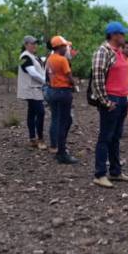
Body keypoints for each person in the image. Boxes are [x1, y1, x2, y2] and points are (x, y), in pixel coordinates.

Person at [90, 22, 128, 188]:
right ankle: (100, 174)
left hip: (122, 99)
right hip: (112, 99)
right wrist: (105, 101)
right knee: (105, 137)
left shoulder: (119, 53)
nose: (124, 37)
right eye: (122, 34)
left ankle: (115, 171)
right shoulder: (103, 52)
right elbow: (98, 77)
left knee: (115, 137)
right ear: (114, 35)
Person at [46, 36, 79, 164]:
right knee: (65, 122)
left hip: (53, 91)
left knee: (60, 120)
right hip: (63, 92)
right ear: (59, 47)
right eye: (65, 46)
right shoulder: (62, 60)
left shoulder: (50, 58)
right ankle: (62, 153)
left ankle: (59, 148)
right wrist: (75, 85)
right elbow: (69, 76)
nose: (66, 48)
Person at [17, 36, 47, 150]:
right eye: (32, 43)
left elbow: (41, 64)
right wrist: (46, 81)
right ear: (26, 44)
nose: (35, 45)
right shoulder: (25, 57)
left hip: (34, 88)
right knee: (40, 112)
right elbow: (33, 73)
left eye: (35, 43)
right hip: (31, 89)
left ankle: (32, 139)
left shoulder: (33, 56)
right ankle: (40, 139)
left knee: (32, 112)